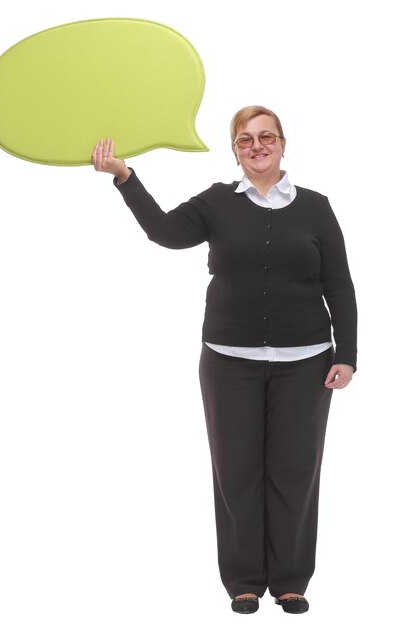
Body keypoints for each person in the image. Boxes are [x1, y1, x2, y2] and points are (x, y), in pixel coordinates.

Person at [91, 105, 357, 615]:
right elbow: (165, 232)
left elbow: (339, 283)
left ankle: (290, 580)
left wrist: (347, 352)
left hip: (306, 363)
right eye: (245, 140)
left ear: (283, 143)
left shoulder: (317, 207)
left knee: (295, 472)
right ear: (234, 149)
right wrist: (125, 177)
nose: (257, 147)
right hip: (227, 361)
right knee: (236, 472)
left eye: (266, 137)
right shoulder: (217, 203)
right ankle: (243, 580)